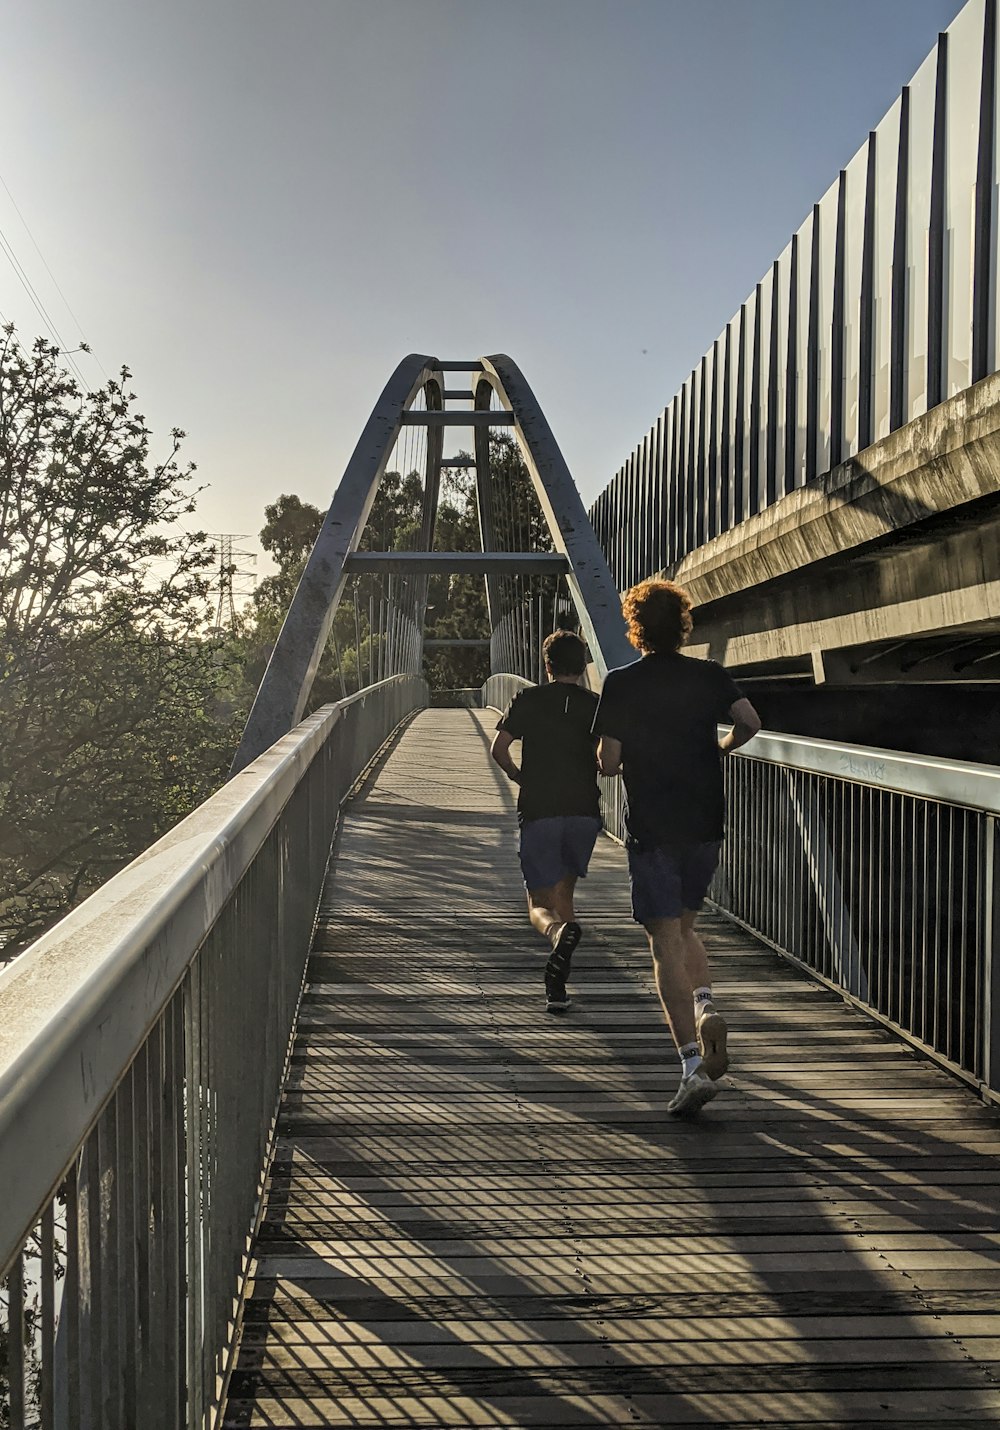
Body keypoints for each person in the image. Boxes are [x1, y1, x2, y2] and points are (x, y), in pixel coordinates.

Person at [593, 579, 761, 1116]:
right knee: (687, 927)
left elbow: (611, 762)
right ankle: (707, 1006)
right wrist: (719, 748)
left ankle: (691, 1066)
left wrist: (609, 757)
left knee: (664, 940)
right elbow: (750, 722)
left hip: (654, 826)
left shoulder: (622, 683)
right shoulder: (709, 674)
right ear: (683, 623)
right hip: (705, 822)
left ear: (636, 627)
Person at [491, 630, 602, 1013]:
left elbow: (499, 748)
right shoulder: (596, 705)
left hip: (540, 810)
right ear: (583, 665)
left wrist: (519, 776)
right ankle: (558, 986)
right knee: (564, 896)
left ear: (547, 665)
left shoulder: (529, 698)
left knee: (539, 904)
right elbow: (608, 759)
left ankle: (556, 934)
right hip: (584, 813)